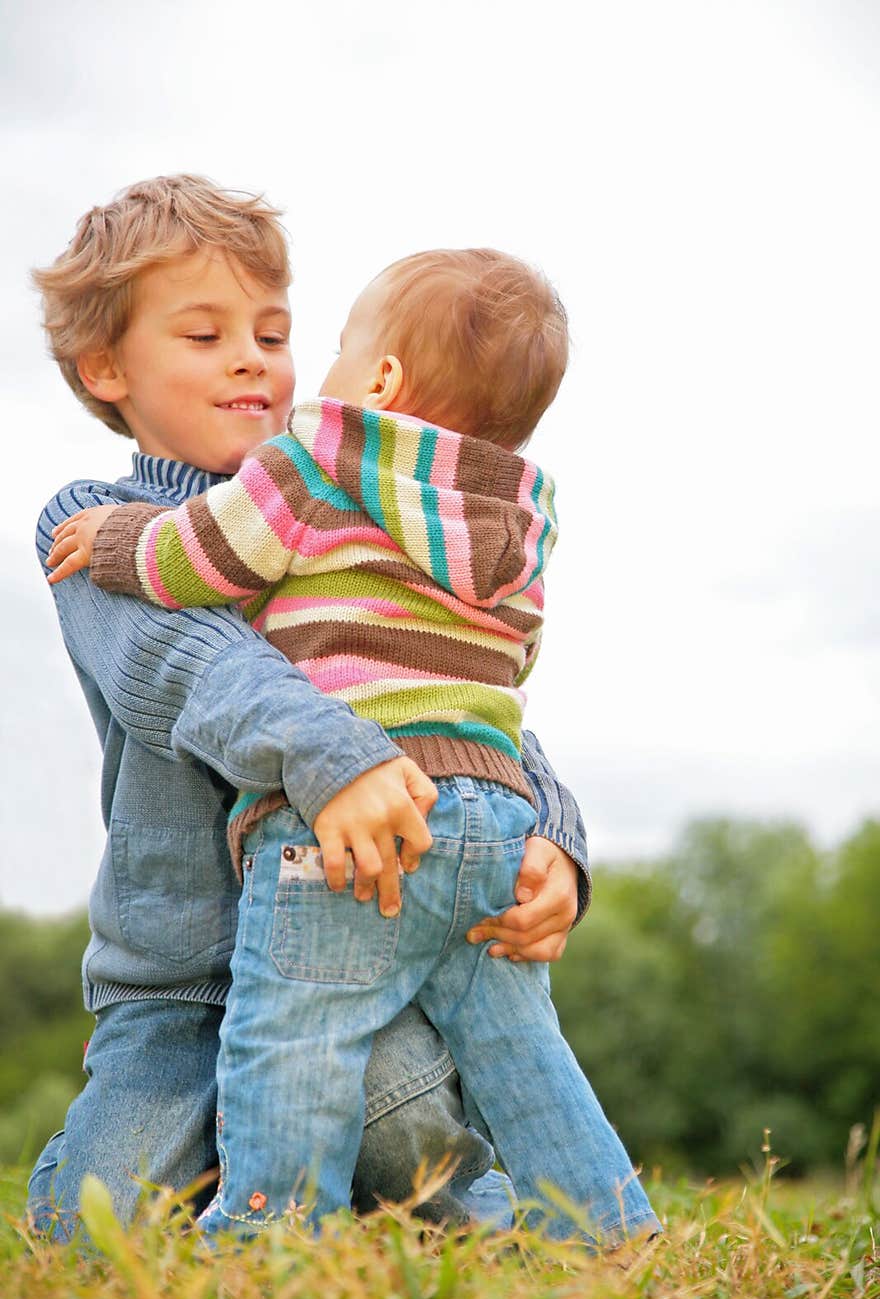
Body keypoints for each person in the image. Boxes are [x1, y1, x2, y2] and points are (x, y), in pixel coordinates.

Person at [49, 241, 661, 1246]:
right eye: (205, 336)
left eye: (282, 337)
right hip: (182, 985)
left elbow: (201, 555)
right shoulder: (512, 517)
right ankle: (607, 1226)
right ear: (106, 370)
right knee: (93, 1217)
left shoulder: (310, 475)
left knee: (300, 1049)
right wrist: (485, 804)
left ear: (375, 378)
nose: (253, 360)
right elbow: (478, 682)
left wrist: (560, 834)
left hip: (349, 889)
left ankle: (264, 1236)